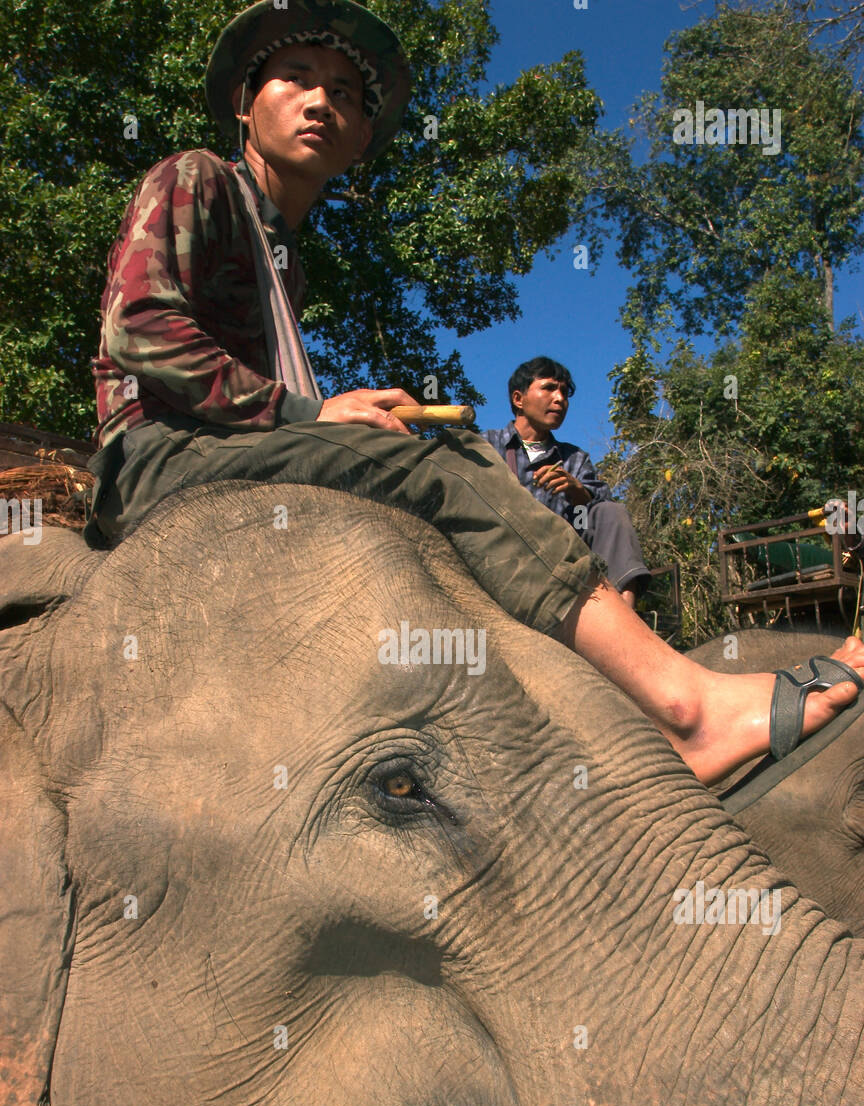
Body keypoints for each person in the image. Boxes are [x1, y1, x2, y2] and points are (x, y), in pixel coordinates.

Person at [83, 0, 864, 787]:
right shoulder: (197, 178)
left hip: (230, 448)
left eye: (346, 94)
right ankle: (688, 708)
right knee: (449, 467)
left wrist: (339, 418)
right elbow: (139, 329)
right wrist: (312, 413)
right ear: (247, 107)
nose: (322, 101)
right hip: (159, 457)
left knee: (439, 452)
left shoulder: (288, 259)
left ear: (358, 139)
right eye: (297, 78)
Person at [483, 358, 650, 609]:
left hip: (559, 562)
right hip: (498, 555)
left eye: (564, 392)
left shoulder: (575, 459)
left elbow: (602, 516)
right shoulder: (485, 445)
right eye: (549, 388)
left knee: (611, 512)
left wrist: (577, 491)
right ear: (519, 399)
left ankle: (625, 617)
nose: (560, 399)